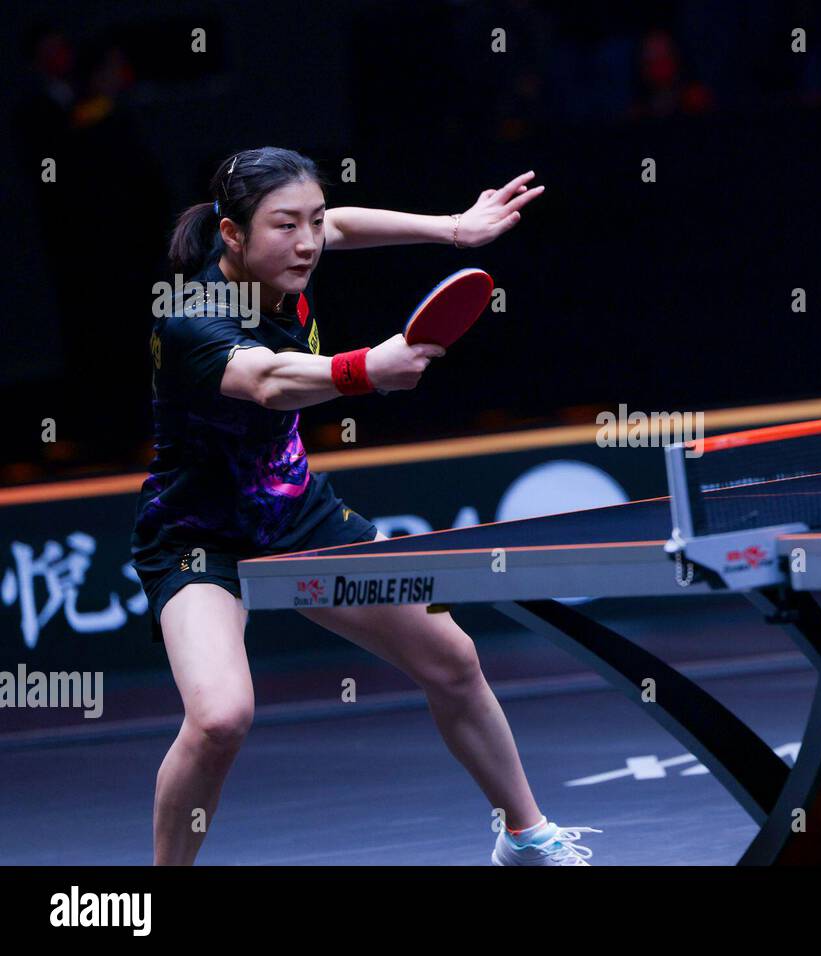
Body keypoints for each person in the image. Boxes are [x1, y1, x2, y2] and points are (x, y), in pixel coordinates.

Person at [132, 146, 597, 866]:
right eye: (286, 225)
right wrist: (365, 370)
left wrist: (455, 228)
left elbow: (344, 225)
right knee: (221, 717)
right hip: (197, 536)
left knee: (452, 659)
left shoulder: (297, 256)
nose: (309, 241)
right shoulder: (192, 320)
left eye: (312, 220)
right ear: (232, 235)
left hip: (297, 514)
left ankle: (526, 836)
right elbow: (269, 381)